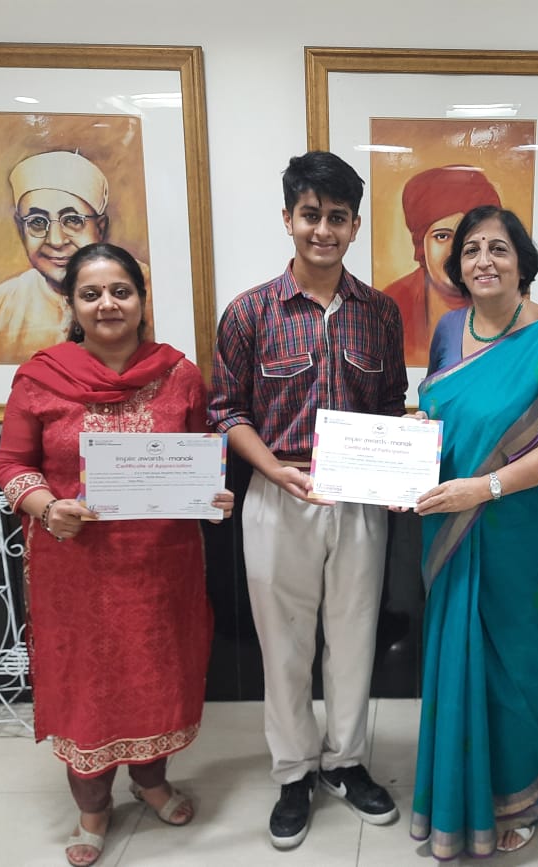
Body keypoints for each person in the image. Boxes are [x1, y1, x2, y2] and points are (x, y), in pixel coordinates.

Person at [0, 242, 233, 867]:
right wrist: (47, 506)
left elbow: (198, 458)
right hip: (75, 567)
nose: (108, 304)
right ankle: (92, 807)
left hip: (161, 566)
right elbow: (12, 464)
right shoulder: (40, 378)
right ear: (71, 305)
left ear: (141, 300)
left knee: (158, 673)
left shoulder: (179, 375)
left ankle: (152, 783)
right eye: (92, 293)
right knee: (87, 685)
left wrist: (212, 495)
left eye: (121, 291)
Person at [208, 151, 407, 850]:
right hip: (277, 489)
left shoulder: (380, 313)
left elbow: (391, 406)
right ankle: (294, 770)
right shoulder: (249, 311)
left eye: (338, 217)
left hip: (359, 497)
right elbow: (227, 411)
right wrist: (272, 468)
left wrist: (399, 466)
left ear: (355, 226)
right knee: (284, 644)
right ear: (288, 218)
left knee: (354, 635)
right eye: (311, 215)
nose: (324, 230)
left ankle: (345, 761)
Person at [410, 205, 538, 858]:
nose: (484, 260)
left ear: (522, 262)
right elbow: (442, 409)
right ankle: (458, 795)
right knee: (458, 662)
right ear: (457, 266)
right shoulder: (449, 331)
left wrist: (486, 487)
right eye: (471, 249)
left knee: (519, 670)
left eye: (498, 248)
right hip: (452, 528)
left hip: (525, 539)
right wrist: (415, 433)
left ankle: (522, 797)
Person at [0, 150, 151, 364]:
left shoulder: (149, 289)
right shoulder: (4, 303)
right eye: (37, 222)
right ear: (21, 229)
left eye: (73, 220)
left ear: (100, 228)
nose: (56, 241)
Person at [381, 165, 502, 367]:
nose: (455, 251)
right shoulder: (391, 305)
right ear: (421, 245)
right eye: (442, 236)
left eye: (468, 236)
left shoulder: (510, 305)